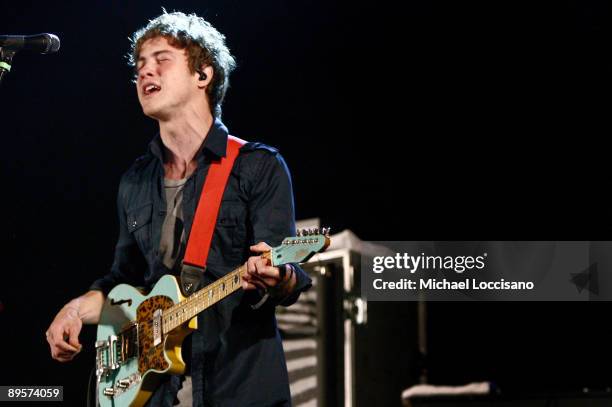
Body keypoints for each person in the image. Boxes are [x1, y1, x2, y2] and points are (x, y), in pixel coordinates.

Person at [45, 10, 311, 406]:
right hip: (158, 391)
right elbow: (124, 281)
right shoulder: (135, 181)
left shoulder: (257, 167)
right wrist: (73, 310)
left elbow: (285, 275)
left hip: (235, 386)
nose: (145, 73)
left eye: (161, 60)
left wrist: (282, 275)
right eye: (139, 66)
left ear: (203, 75)